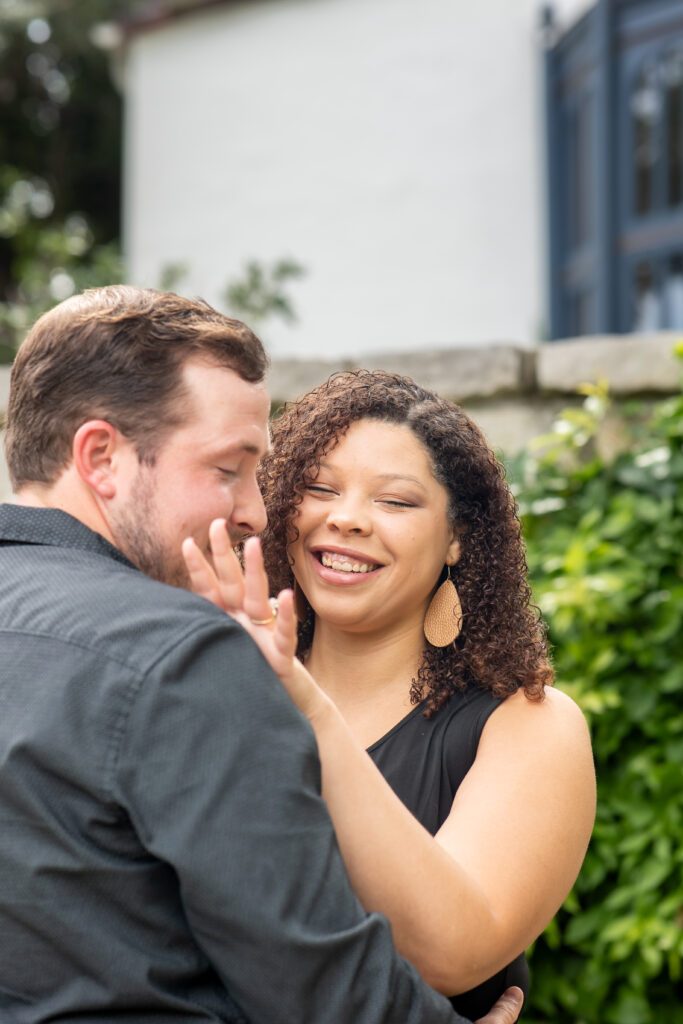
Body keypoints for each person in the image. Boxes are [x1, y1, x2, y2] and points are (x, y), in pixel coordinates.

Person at [0, 286, 524, 1024]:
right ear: (102, 457)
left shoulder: (513, 723)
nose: (256, 510)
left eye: (396, 501)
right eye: (228, 468)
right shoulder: (180, 654)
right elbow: (313, 983)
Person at [183, 370, 597, 1021]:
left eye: (395, 502)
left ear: (458, 537)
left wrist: (308, 707)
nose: (344, 519)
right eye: (318, 488)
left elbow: (453, 951)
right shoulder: (208, 690)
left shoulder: (527, 727)